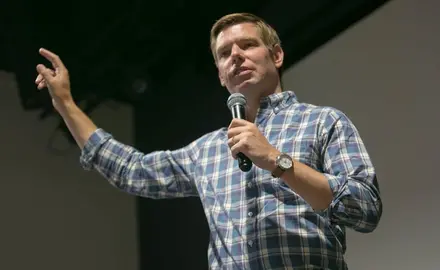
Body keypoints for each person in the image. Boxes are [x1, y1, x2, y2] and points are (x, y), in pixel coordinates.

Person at [35, 12, 382, 270]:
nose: (236, 56)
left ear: (276, 55)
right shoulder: (207, 150)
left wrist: (278, 160)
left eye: (248, 45)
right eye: (224, 53)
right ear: (219, 74)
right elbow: (131, 170)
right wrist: (65, 104)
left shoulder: (323, 122)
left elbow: (365, 209)